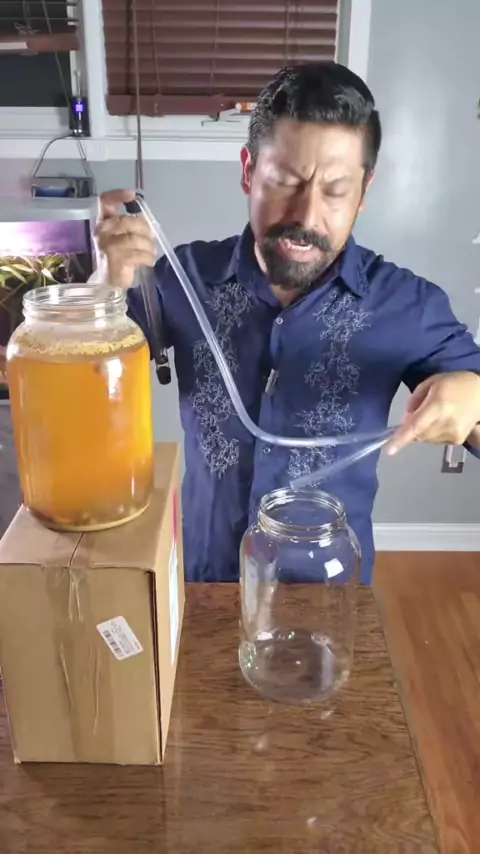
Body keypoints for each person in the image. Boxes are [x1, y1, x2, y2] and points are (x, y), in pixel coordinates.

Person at [94, 62, 480, 584]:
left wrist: (472, 396)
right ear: (249, 170)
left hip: (331, 595)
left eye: (336, 189)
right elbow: (88, 385)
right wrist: (106, 282)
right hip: (205, 581)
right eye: (284, 181)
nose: (306, 214)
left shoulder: (409, 305)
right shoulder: (182, 277)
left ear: (364, 192)